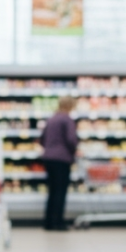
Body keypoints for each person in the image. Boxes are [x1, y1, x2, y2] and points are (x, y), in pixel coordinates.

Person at [40, 95, 79, 231]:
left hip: (48, 157)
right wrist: (74, 150)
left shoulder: (51, 118)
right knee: (60, 191)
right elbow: (71, 139)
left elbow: (42, 138)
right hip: (62, 158)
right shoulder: (67, 119)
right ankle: (58, 222)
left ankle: (48, 222)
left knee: (52, 191)